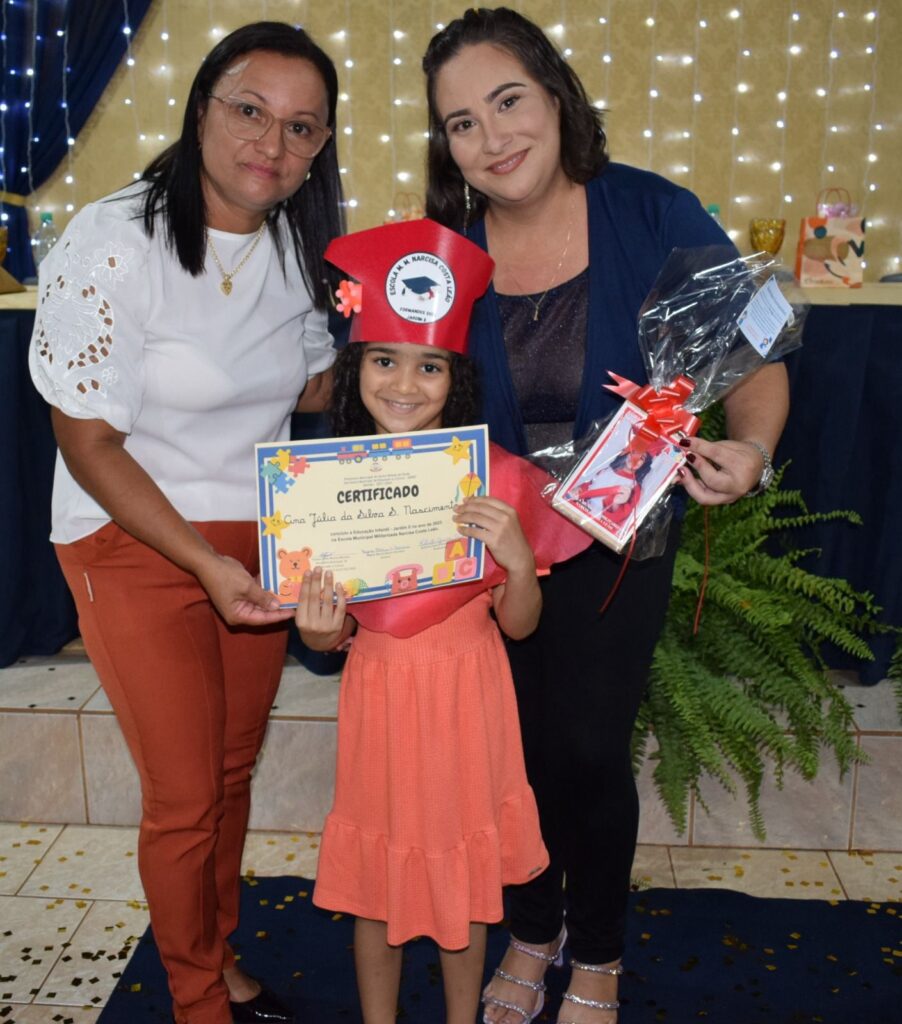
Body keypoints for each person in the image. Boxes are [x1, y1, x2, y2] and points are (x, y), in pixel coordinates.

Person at [422, 9, 790, 1023]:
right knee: (509, 754)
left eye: (507, 101)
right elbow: (393, 386)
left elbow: (752, 358)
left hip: (618, 541)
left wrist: (751, 451)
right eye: (461, 122)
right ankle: (531, 928)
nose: (492, 137)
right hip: (487, 549)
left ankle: (596, 950)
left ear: (554, 95)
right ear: (444, 144)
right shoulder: (442, 251)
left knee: (585, 751)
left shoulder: (652, 213)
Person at [29, 22, 344, 1024]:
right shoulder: (112, 238)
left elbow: (312, 384)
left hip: (253, 536)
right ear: (202, 107)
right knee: (183, 795)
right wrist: (205, 563)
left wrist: (391, 323)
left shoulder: (294, 243)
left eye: (302, 128)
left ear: (320, 146)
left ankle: (216, 954)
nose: (272, 143)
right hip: (130, 537)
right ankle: (197, 999)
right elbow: (90, 444)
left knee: (229, 771)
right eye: (250, 110)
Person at [294, 218, 591, 1024]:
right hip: (381, 700)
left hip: (469, 699)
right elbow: (331, 633)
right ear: (357, 365)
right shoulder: (322, 489)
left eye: (428, 366)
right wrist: (319, 630)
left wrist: (519, 562)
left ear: (454, 376)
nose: (404, 384)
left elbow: (521, 626)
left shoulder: (488, 479)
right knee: (377, 887)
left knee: (465, 880)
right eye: (384, 360)